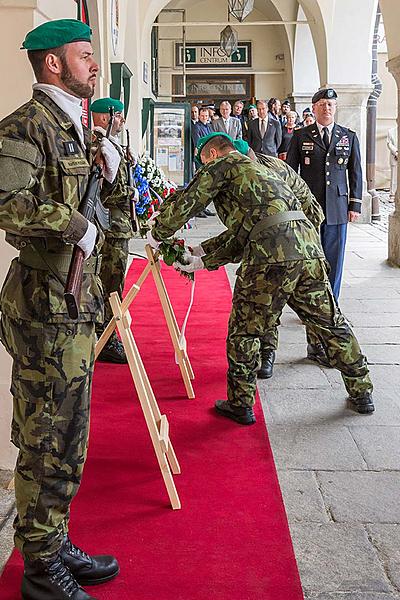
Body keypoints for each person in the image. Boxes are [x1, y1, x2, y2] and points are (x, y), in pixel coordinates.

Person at [0, 19, 120, 600]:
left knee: (69, 438)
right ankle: (41, 571)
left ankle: (54, 539)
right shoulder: (25, 127)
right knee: (45, 439)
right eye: (85, 56)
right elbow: (8, 205)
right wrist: (75, 226)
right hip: (43, 313)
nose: (94, 65)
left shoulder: (74, 129)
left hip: (72, 308)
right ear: (53, 64)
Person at [147, 132, 375, 425]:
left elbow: (189, 201)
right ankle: (362, 391)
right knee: (330, 323)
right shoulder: (264, 173)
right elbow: (248, 230)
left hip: (270, 257)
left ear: (213, 155)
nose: (204, 169)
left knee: (246, 330)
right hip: (307, 251)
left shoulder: (223, 165)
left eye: (203, 162)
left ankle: (240, 403)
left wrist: (158, 233)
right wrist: (202, 257)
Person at [287, 88, 363, 366]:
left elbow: (356, 172)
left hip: (337, 210)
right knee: (311, 263)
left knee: (335, 262)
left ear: (335, 108)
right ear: (314, 108)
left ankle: (331, 306)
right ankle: (311, 306)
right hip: (309, 211)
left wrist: (354, 206)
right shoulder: (301, 136)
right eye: (322, 105)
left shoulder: (348, 136)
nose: (327, 109)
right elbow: (290, 174)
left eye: (331, 104)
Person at [91, 97, 136, 363]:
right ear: (105, 117)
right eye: (118, 116)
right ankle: (105, 336)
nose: (122, 121)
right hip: (110, 224)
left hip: (118, 224)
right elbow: (104, 189)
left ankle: (106, 331)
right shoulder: (99, 145)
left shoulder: (112, 144)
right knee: (110, 281)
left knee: (114, 280)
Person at [387, 126, 398, 202]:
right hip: (395, 157)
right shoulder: (391, 131)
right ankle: (392, 194)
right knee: (394, 176)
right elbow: (389, 144)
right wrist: (396, 152)